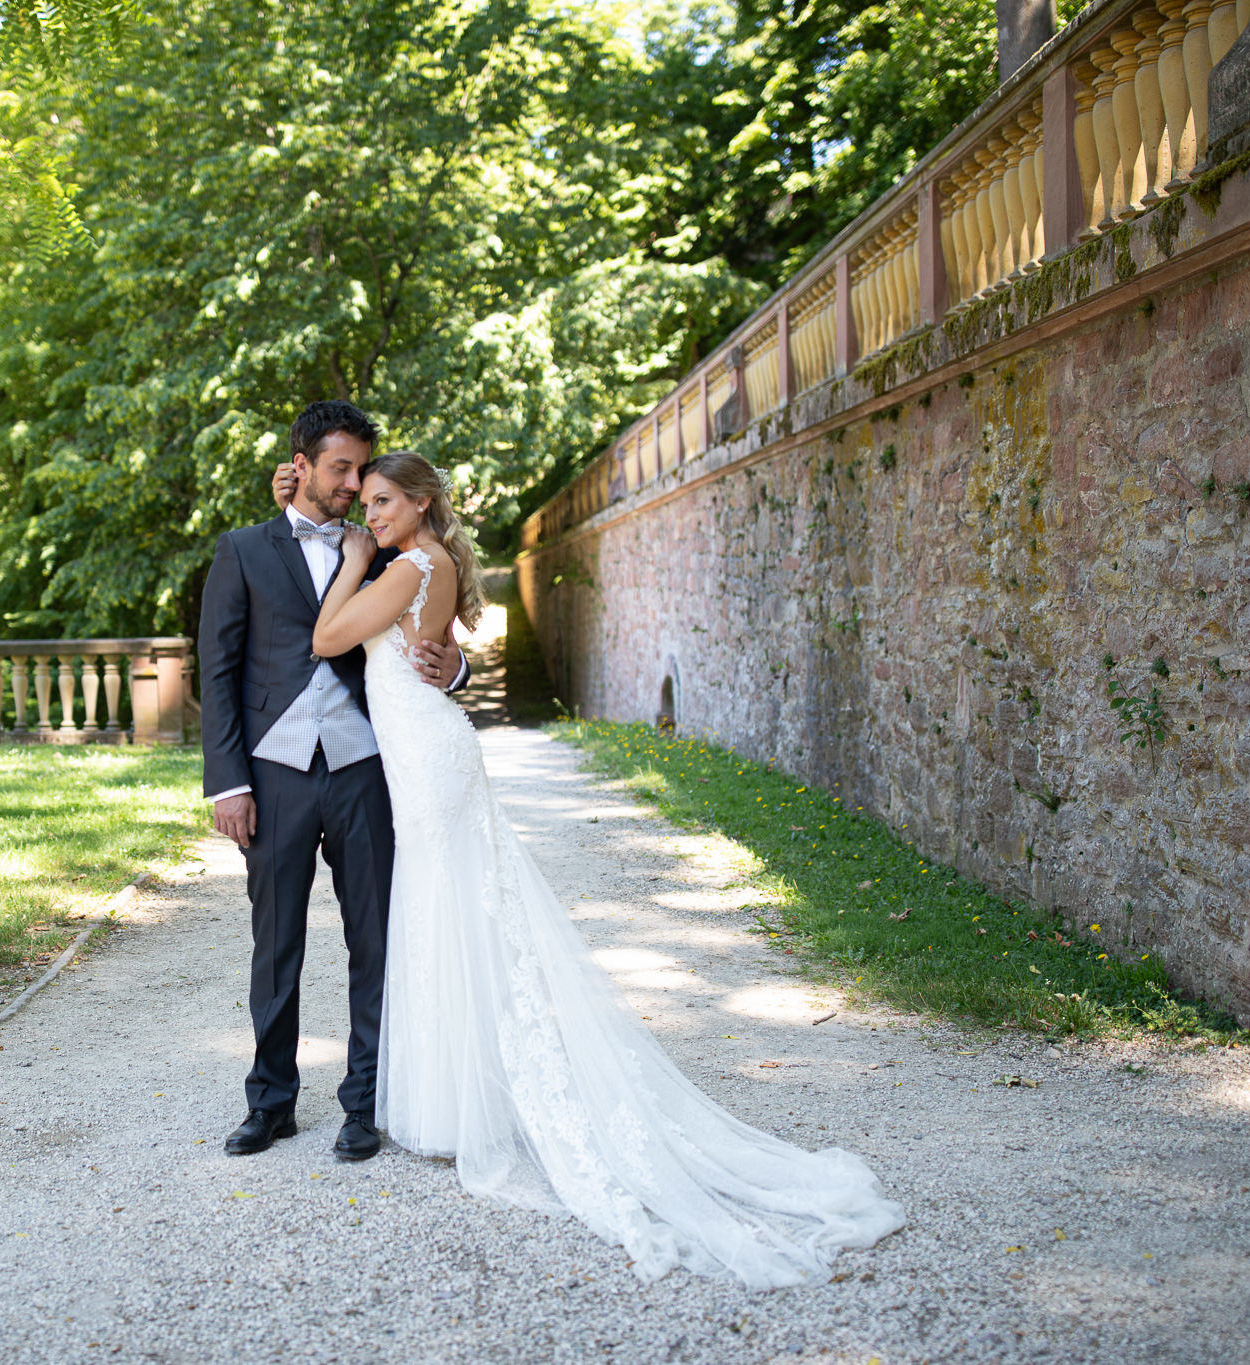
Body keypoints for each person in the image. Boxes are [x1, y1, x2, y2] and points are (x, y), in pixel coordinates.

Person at [305, 447, 905, 1289]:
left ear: (420, 503)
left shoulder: (405, 565)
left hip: (428, 763)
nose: (369, 514)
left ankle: (456, 1108)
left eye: (381, 501)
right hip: (425, 751)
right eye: (364, 504)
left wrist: (355, 561)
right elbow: (424, 658)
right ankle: (452, 1099)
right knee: (450, 914)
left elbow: (328, 636)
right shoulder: (430, 562)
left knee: (446, 911)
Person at [197, 401, 469, 1164]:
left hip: (365, 770)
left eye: (362, 470)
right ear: (302, 465)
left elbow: (438, 637)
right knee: (275, 942)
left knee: (375, 940)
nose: (354, 485)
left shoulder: (387, 550)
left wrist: (459, 670)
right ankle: (271, 1102)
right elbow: (217, 674)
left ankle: (365, 1103)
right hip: (274, 773)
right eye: (341, 468)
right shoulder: (244, 550)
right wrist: (228, 785)